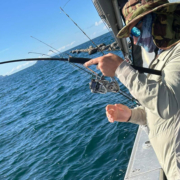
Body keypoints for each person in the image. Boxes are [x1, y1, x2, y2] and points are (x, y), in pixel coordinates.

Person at [84, 0, 180, 179]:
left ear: (158, 20)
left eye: (135, 31)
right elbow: (162, 112)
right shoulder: (162, 57)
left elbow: (169, 105)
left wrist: (121, 68)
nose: (134, 40)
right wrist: (130, 115)